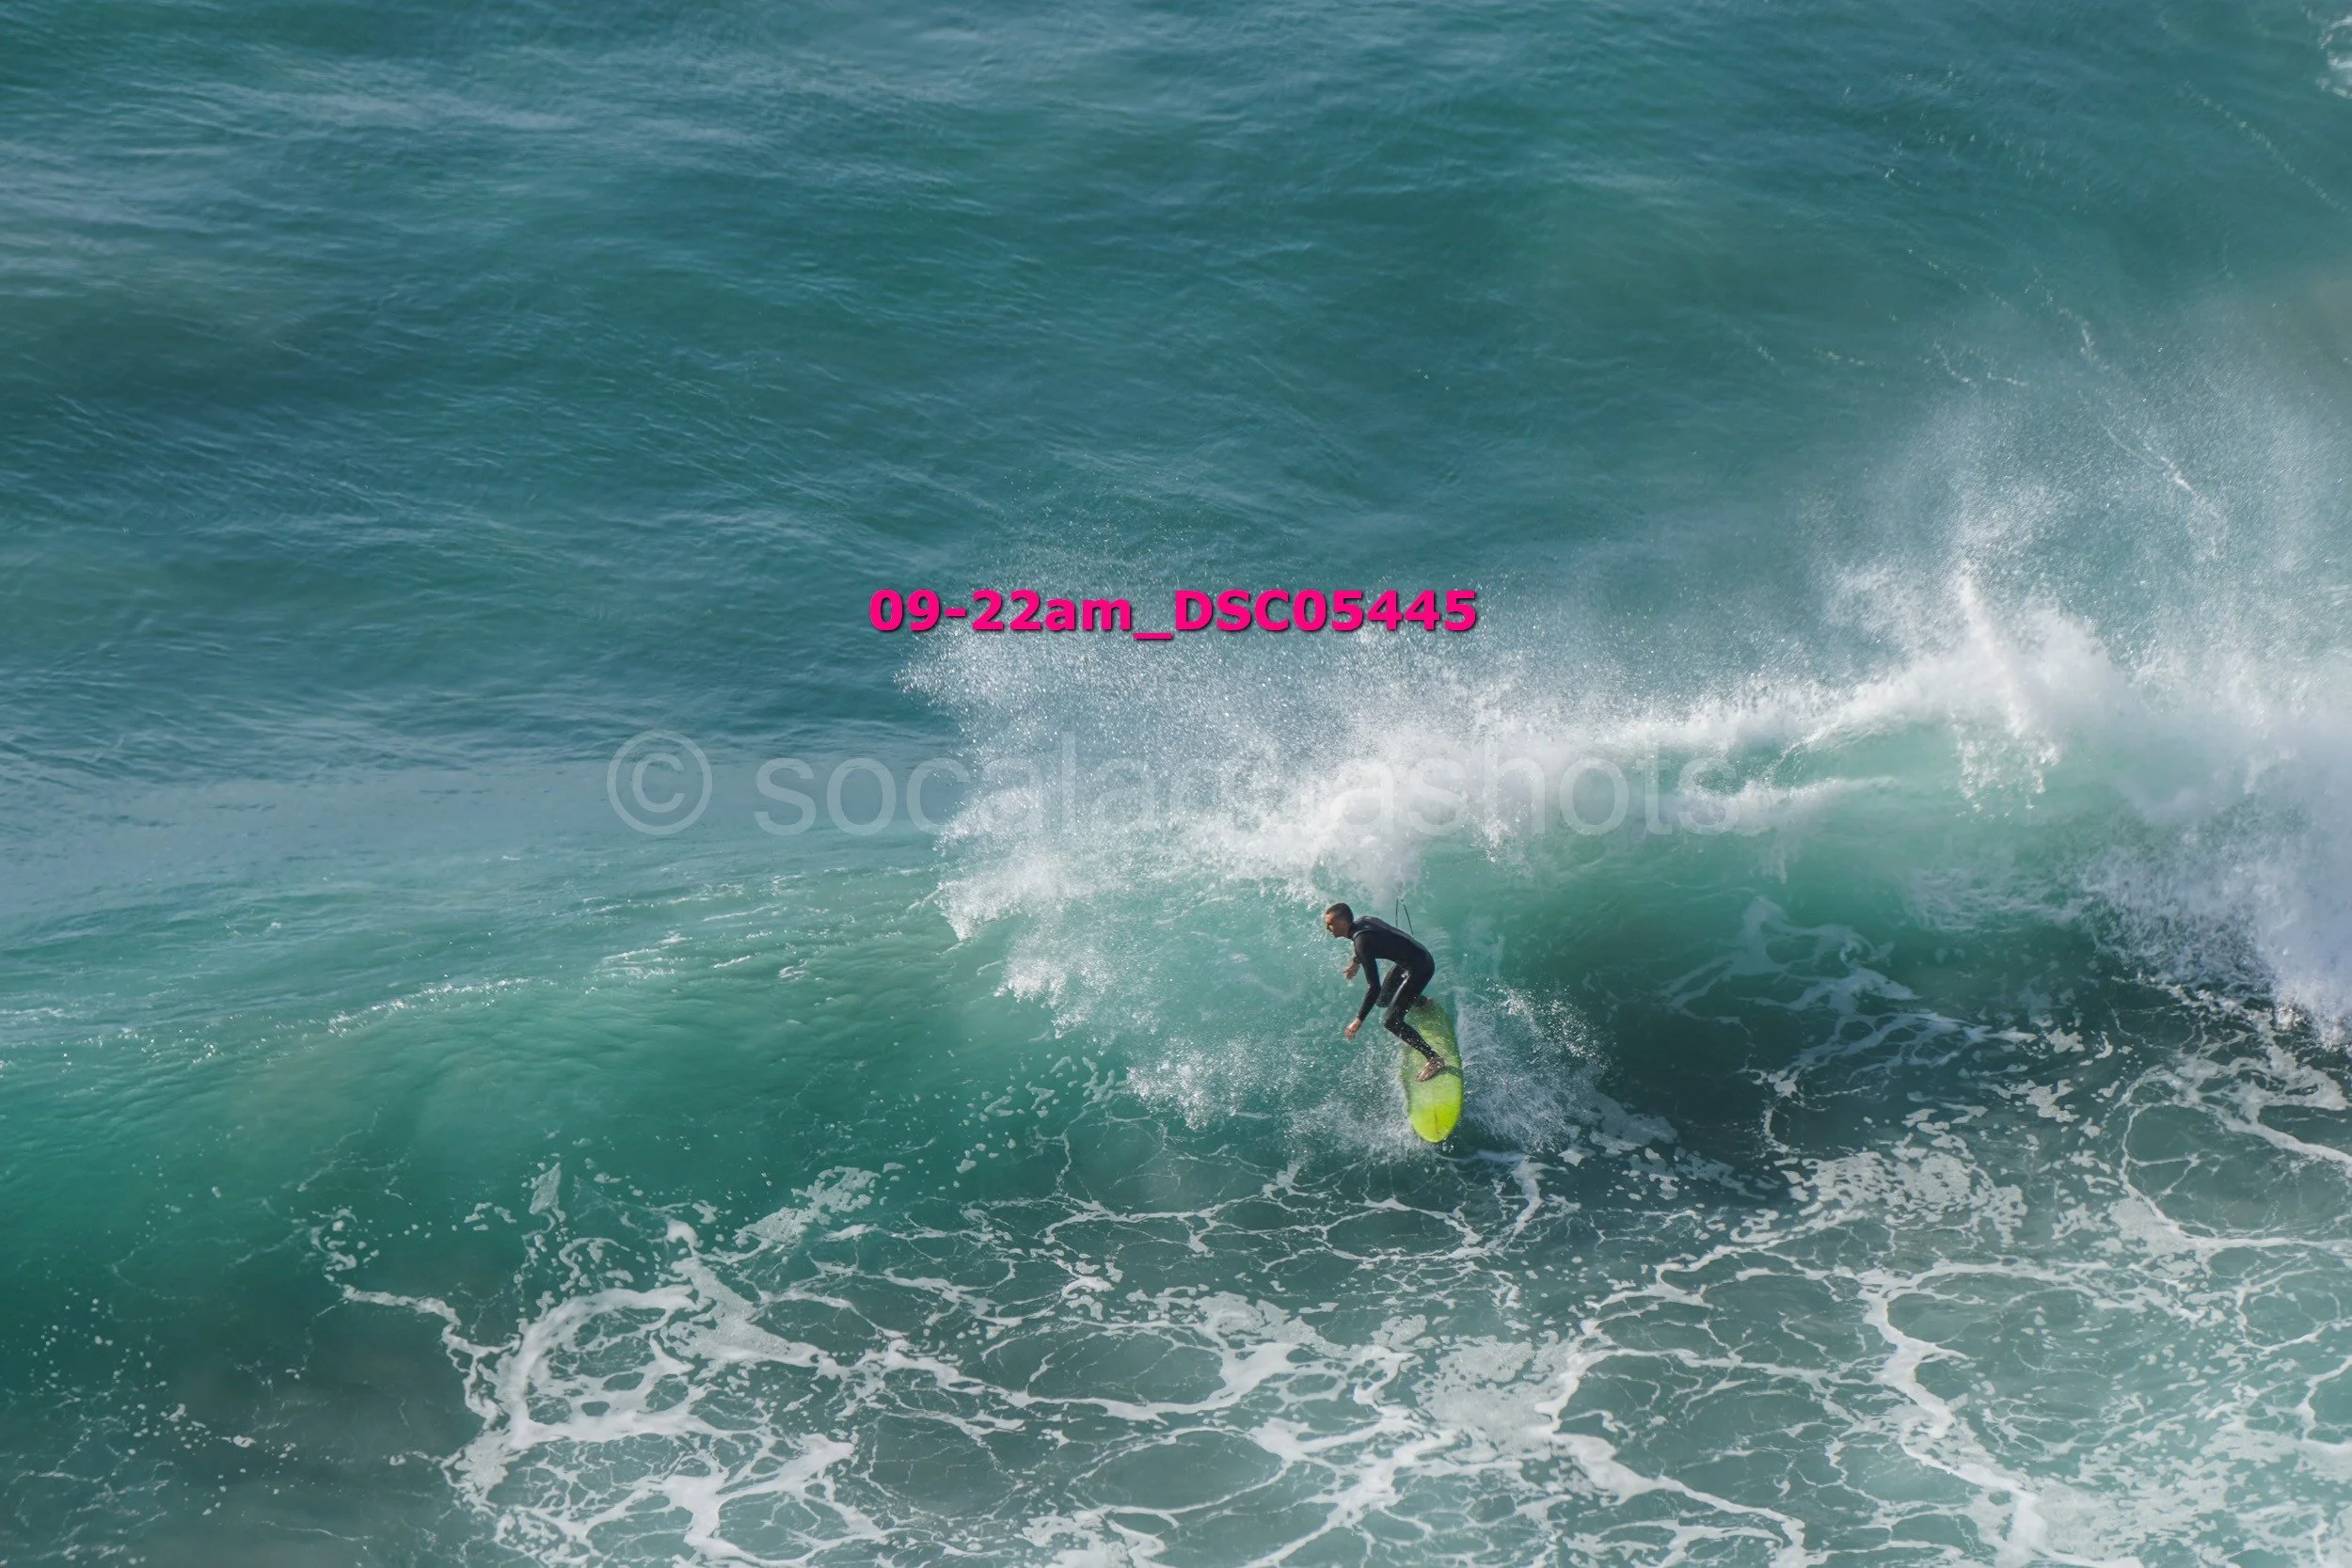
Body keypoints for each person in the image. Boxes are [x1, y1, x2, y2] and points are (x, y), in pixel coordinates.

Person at [1323, 901, 1447, 1081]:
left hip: (1420, 967)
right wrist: (1356, 962)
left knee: (1391, 1022)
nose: (1327, 928)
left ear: (1343, 924)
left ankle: (1434, 1059)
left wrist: (1359, 1019)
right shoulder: (1364, 922)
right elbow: (1372, 941)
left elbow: (1373, 987)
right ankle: (1422, 1002)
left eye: (1330, 924)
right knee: (1382, 1000)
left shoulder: (1361, 942)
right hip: (1414, 959)